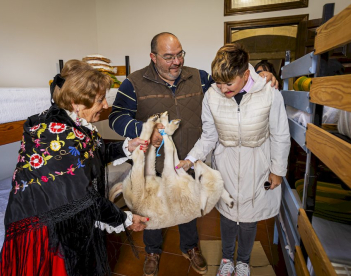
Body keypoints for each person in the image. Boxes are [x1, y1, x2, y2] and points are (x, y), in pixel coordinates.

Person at [109, 32, 279, 276]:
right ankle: (153, 252)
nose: (176, 62)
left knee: (188, 208)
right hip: (151, 163)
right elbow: (116, 117)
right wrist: (144, 130)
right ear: (153, 57)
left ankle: (190, 248)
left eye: (179, 55)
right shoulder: (133, 82)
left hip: (186, 161)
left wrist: (260, 77)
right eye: (168, 57)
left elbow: (232, 83)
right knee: (152, 211)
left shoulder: (199, 78)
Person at [0, 60, 149, 276]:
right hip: (47, 230)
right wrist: (124, 218)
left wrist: (127, 146)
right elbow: (84, 197)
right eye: (100, 100)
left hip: (66, 219)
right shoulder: (54, 133)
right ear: (76, 102)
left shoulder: (71, 125)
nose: (106, 105)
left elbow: (90, 153)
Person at [177, 42, 290, 276]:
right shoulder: (212, 95)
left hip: (257, 165)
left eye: (229, 83)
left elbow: (280, 134)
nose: (223, 88)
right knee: (228, 216)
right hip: (225, 164)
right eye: (218, 82)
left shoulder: (269, 93)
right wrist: (190, 159)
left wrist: (277, 170)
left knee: (249, 219)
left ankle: (243, 262)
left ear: (246, 74)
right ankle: (228, 259)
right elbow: (209, 136)